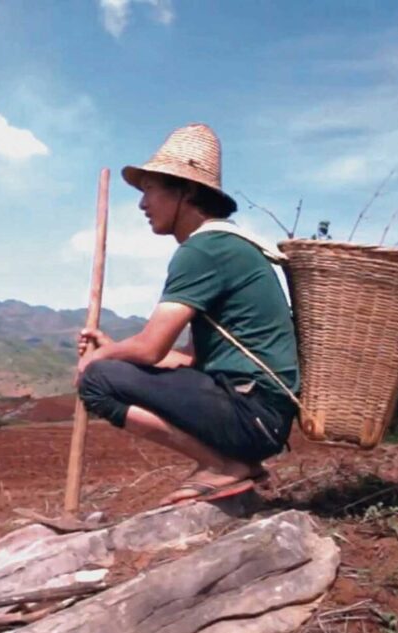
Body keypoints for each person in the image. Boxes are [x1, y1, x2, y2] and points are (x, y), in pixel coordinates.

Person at [76, 123, 300, 506]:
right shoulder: (227, 245)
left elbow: (149, 349)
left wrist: (99, 358)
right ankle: (232, 461)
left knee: (97, 380)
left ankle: (222, 465)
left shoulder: (204, 250)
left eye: (150, 190)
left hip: (252, 413)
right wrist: (115, 349)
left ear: (187, 191)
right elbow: (189, 359)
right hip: (263, 416)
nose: (142, 204)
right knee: (110, 368)